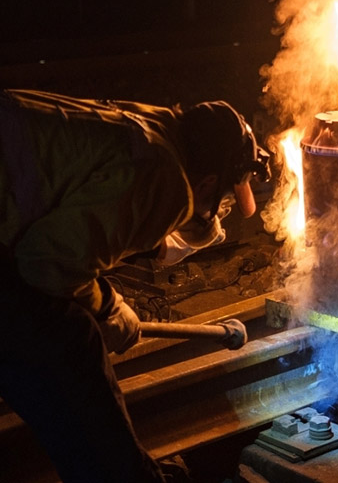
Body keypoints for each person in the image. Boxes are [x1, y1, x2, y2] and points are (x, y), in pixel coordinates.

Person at [0, 89, 270, 482]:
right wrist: (109, 310)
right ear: (209, 182)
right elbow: (47, 264)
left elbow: (79, 229)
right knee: (73, 338)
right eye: (227, 195)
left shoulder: (155, 126)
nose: (224, 207)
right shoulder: (167, 178)